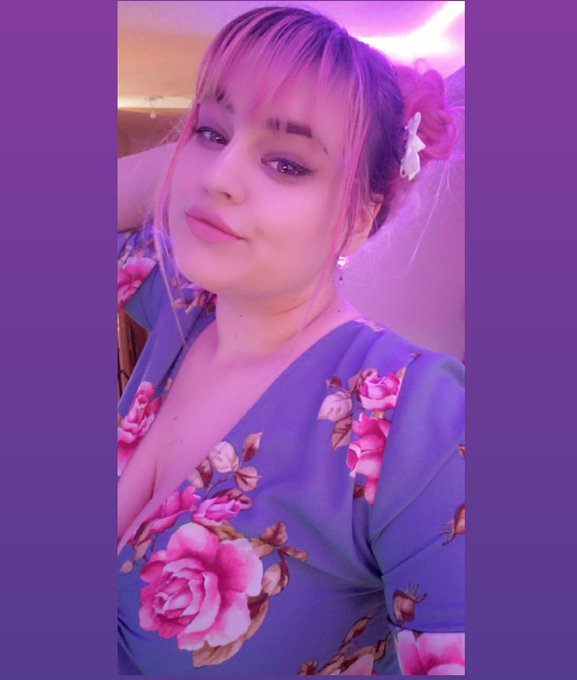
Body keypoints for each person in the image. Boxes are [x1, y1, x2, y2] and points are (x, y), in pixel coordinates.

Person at [117, 4, 465, 675]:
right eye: (210, 132)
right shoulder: (182, 303)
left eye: (285, 163)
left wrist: (227, 128)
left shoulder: (414, 418)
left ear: (357, 220)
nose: (217, 177)